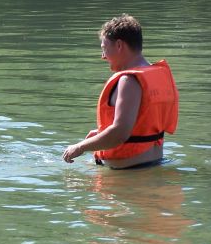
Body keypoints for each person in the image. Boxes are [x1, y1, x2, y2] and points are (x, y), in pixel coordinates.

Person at [63, 14, 179, 169]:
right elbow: (140, 124)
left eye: (105, 48)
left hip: (130, 176)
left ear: (119, 45)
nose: (103, 56)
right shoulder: (156, 74)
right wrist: (101, 133)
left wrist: (80, 147)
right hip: (154, 166)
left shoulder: (128, 80)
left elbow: (120, 133)